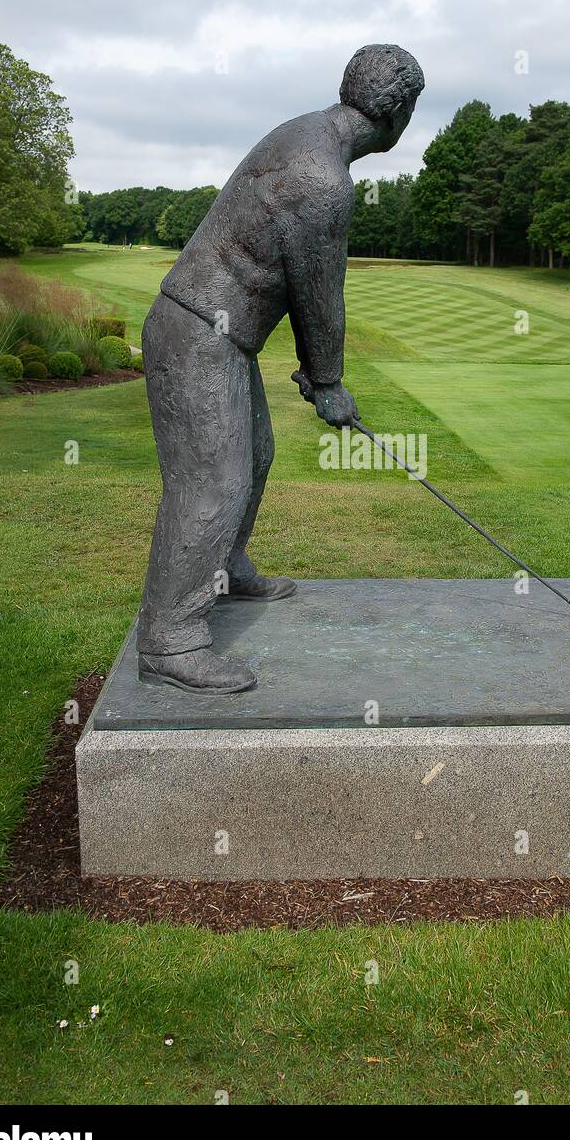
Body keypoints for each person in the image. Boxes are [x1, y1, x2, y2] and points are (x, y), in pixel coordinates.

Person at [137, 44, 425, 693]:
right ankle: (170, 641)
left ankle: (226, 568)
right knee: (212, 484)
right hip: (197, 332)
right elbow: (318, 294)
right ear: (398, 114)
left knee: (255, 454)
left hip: (214, 333)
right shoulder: (323, 179)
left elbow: (302, 283)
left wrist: (318, 370)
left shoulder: (305, 131)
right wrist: (326, 383)